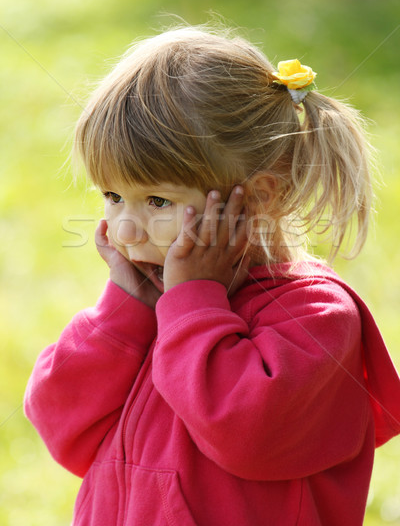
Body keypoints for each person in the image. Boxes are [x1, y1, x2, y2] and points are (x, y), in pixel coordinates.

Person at [24, 26, 400, 526]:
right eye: (112, 197)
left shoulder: (317, 315)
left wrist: (193, 304)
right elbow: (62, 428)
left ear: (262, 195)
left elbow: (248, 434)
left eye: (158, 200)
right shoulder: (156, 303)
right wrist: (122, 312)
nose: (125, 229)